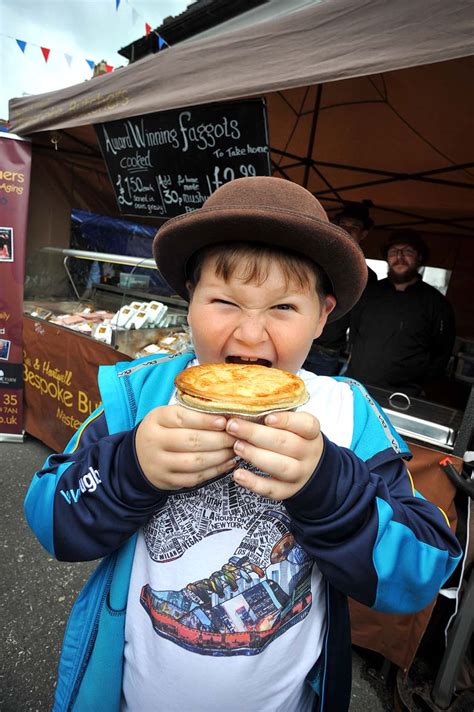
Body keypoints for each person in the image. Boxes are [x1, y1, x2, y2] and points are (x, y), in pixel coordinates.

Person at [24, 178, 461, 712]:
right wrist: (127, 467)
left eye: (283, 309)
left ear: (323, 316)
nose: (251, 336)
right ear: (189, 301)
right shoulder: (140, 398)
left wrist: (327, 486)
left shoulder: (346, 414)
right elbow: (50, 518)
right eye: (225, 301)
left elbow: (419, 571)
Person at [346, 228, 456, 396]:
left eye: (408, 252)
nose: (400, 257)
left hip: (402, 395)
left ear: (419, 257)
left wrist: (423, 387)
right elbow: (354, 333)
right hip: (356, 387)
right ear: (387, 258)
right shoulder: (369, 292)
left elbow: (442, 353)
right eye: (394, 252)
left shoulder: (436, 303)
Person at [303, 201, 377, 376]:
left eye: (355, 226)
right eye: (343, 224)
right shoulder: (316, 259)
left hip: (327, 349)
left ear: (364, 233)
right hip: (297, 338)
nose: (348, 229)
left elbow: (362, 318)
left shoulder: (367, 275)